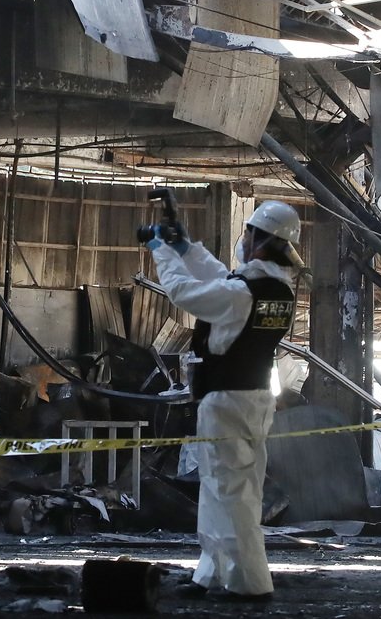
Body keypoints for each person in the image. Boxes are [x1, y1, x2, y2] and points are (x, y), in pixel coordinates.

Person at [145, 200, 302, 603]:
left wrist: (161, 249)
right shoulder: (275, 289)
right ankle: (211, 572)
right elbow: (225, 279)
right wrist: (187, 249)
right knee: (225, 488)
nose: (243, 239)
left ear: (262, 240)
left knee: (229, 491)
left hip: (228, 401)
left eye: (249, 232)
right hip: (252, 398)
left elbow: (186, 292)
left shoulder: (242, 294)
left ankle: (250, 583)